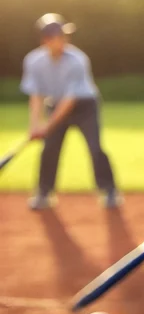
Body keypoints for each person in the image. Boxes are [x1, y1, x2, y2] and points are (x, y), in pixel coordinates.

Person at [21, 13, 120, 210]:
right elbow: (36, 95)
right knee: (49, 149)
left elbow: (70, 99)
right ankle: (43, 192)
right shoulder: (33, 61)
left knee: (95, 148)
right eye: (60, 36)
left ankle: (109, 191)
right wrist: (34, 125)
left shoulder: (77, 59)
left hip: (85, 107)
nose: (65, 40)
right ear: (46, 39)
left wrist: (47, 126)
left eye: (65, 35)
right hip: (55, 105)